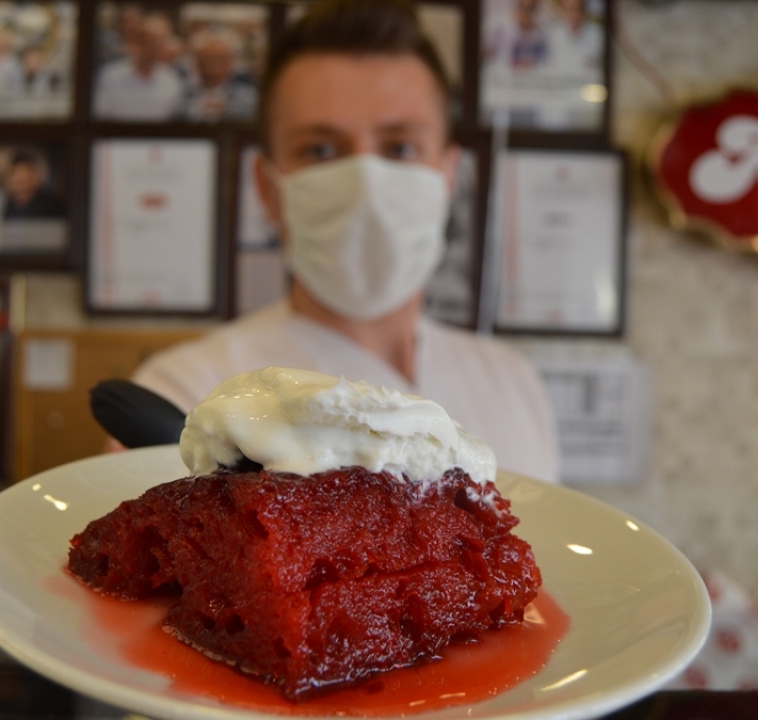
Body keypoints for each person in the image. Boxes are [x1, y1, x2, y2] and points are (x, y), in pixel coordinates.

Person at [132, 0, 558, 482]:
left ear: (448, 175)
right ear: (268, 189)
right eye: (321, 149)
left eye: (400, 146)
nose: (366, 186)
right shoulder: (185, 398)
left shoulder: (516, 387)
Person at [93, 13, 185, 121]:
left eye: (158, 41)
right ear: (137, 41)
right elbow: (99, 118)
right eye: (149, 40)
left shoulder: (173, 82)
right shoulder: (110, 76)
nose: (153, 46)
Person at [182, 28, 258, 121]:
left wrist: (227, 109)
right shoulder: (181, 94)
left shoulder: (249, 97)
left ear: (231, 63)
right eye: (205, 61)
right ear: (196, 64)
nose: (212, 69)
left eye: (219, 61)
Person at [3, 151, 64, 219]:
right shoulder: (4, 206)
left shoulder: (52, 207)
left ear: (35, 177)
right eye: (18, 181)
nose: (22, 184)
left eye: (25, 180)